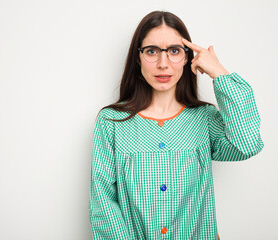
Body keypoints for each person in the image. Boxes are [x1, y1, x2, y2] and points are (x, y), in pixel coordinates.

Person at [89, 10, 264, 240]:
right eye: (152, 51)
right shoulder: (112, 123)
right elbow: (103, 203)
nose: (163, 63)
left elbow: (247, 144)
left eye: (174, 51)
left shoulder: (204, 119)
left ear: (187, 58)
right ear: (138, 57)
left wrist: (219, 73)